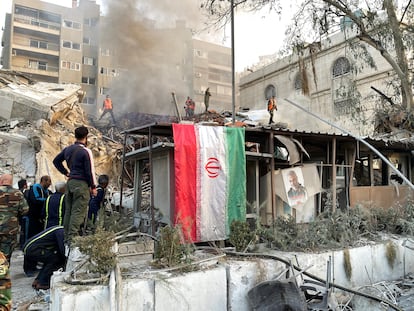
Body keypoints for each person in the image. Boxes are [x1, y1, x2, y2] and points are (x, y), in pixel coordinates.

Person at [53, 126, 97, 245]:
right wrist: (93, 187)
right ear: (86, 137)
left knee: (69, 211)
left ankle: (66, 237)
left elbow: (56, 161)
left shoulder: (68, 149)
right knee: (78, 211)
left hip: (70, 182)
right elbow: (90, 171)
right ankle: (73, 239)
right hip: (81, 184)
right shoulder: (85, 151)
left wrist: (66, 172)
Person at [23, 225, 66, 290]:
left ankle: (38, 280)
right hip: (33, 249)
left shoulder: (57, 229)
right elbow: (62, 249)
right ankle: (43, 283)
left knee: (50, 259)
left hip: (30, 247)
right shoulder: (61, 231)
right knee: (55, 260)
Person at [0, 174, 28, 262]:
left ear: (1, 181)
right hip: (10, 229)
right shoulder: (18, 193)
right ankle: (3, 273)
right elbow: (25, 210)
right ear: (11, 182)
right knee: (6, 254)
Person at [17, 179, 29, 249]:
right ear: (25, 185)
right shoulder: (25, 193)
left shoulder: (16, 192)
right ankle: (24, 245)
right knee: (25, 231)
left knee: (20, 231)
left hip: (17, 216)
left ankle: (20, 244)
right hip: (24, 215)